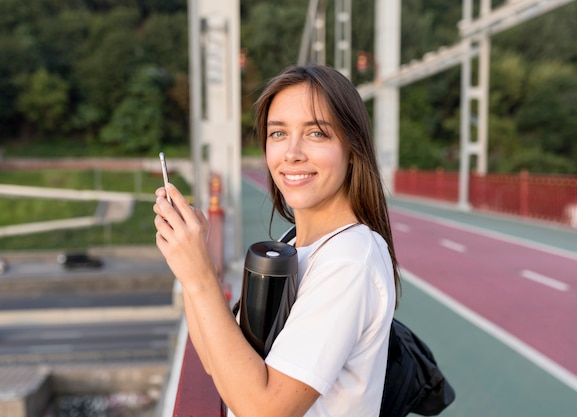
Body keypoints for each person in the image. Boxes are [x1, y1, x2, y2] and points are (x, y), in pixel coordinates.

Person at [153, 64, 400, 417]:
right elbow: (217, 361)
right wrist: (192, 261)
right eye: (278, 134)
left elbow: (264, 410)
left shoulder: (349, 259)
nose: (292, 153)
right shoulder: (294, 241)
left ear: (353, 146)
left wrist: (200, 276)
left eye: (316, 133)